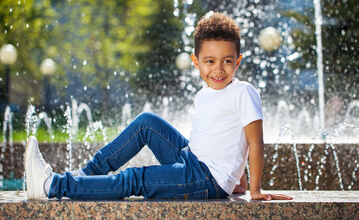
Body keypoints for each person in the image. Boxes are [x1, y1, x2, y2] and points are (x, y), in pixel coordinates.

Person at [25, 12, 292, 201]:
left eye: (227, 61)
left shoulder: (243, 92)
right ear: (196, 62)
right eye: (210, 61)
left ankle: (52, 185)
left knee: (134, 179)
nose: (218, 69)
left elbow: (254, 142)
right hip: (193, 160)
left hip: (204, 179)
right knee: (147, 122)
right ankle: (85, 174)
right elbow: (226, 141)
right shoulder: (205, 93)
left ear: (239, 61)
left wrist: (254, 189)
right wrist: (237, 181)